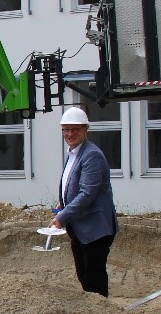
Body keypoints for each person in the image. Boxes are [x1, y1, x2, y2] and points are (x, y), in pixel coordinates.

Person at [50, 106, 118, 297]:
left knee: (93, 277)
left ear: (85, 130)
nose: (70, 134)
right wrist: (62, 204)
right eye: (66, 130)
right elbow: (72, 184)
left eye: (75, 129)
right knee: (84, 276)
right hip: (80, 225)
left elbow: (87, 193)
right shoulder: (73, 152)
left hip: (95, 228)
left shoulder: (91, 155)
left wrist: (62, 217)